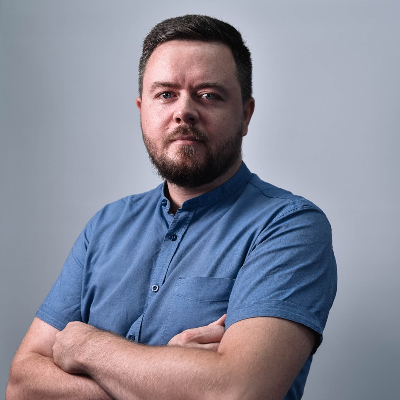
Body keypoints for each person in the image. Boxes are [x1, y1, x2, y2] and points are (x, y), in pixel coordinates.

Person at [6, 14, 337, 400]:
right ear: (142, 108)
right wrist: (171, 377)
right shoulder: (105, 226)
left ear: (245, 115)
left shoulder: (289, 227)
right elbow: (21, 385)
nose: (184, 111)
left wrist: (84, 345)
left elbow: (238, 391)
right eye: (165, 94)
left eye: (209, 95)